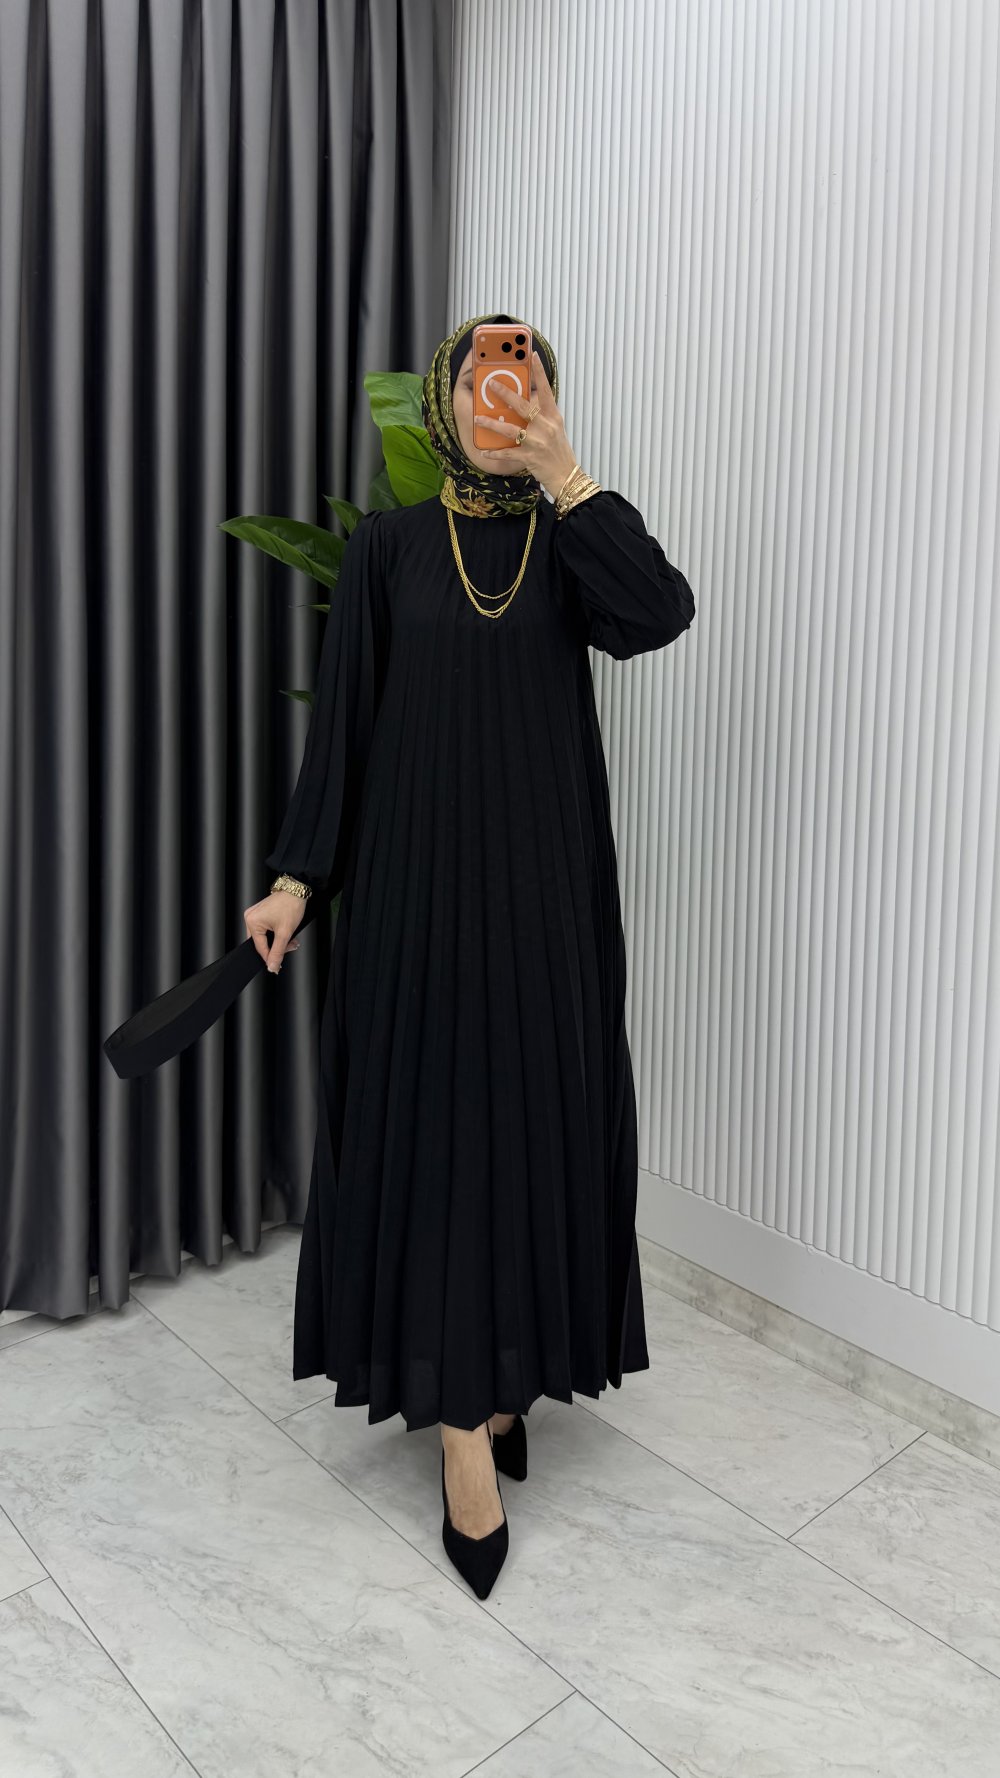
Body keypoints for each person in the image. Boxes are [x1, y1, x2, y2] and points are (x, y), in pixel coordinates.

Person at [242, 310, 695, 1597]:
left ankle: (504, 1378)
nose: (505, 393)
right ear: (446, 400)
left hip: (546, 899)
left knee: (534, 1134)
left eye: (527, 376)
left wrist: (568, 475)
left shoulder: (569, 538)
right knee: (438, 1144)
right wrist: (296, 876)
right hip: (414, 899)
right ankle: (460, 1433)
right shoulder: (387, 548)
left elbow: (658, 615)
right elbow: (345, 728)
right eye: (485, 377)